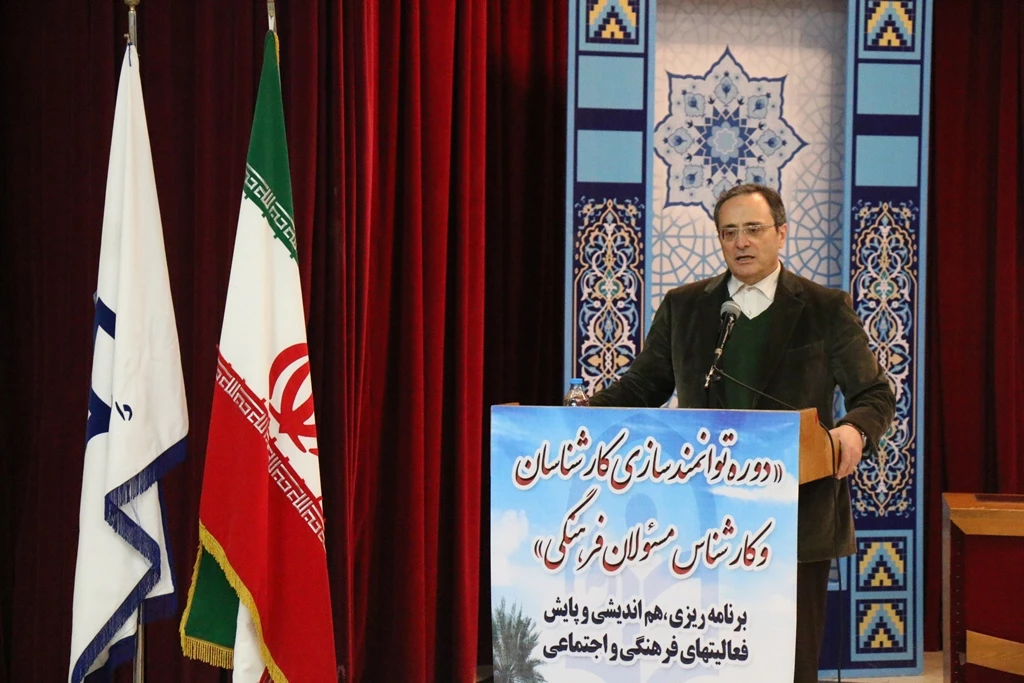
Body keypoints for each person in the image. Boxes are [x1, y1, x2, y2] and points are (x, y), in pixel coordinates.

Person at [588, 183, 895, 683]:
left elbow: (875, 393)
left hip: (796, 516)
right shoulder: (686, 307)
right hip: (703, 520)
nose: (741, 242)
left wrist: (855, 431)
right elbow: (642, 386)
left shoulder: (824, 308)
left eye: (753, 229)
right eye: (729, 232)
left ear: (781, 233)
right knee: (710, 662)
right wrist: (576, 418)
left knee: (788, 664)